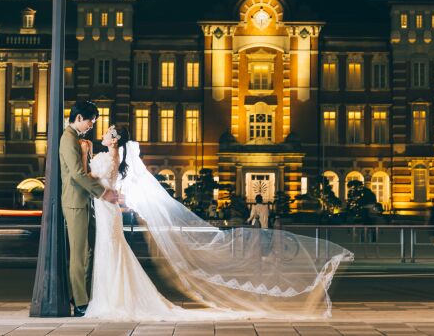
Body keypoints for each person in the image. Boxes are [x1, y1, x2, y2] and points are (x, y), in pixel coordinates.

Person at [84, 126, 353, 321]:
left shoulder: (110, 157)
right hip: (108, 210)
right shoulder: (115, 158)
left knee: (111, 251)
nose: (104, 131)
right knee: (112, 251)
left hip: (106, 209)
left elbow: (87, 176)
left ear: (115, 139)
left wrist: (84, 154)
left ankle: (111, 297)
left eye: (108, 131)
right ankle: (113, 296)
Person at [59, 100, 119, 317]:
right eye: (90, 122)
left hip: (84, 201)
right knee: (79, 253)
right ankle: (80, 302)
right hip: (75, 201)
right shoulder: (68, 138)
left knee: (88, 251)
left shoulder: (77, 139)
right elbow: (76, 173)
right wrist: (103, 192)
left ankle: (83, 297)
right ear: (78, 119)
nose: (91, 126)